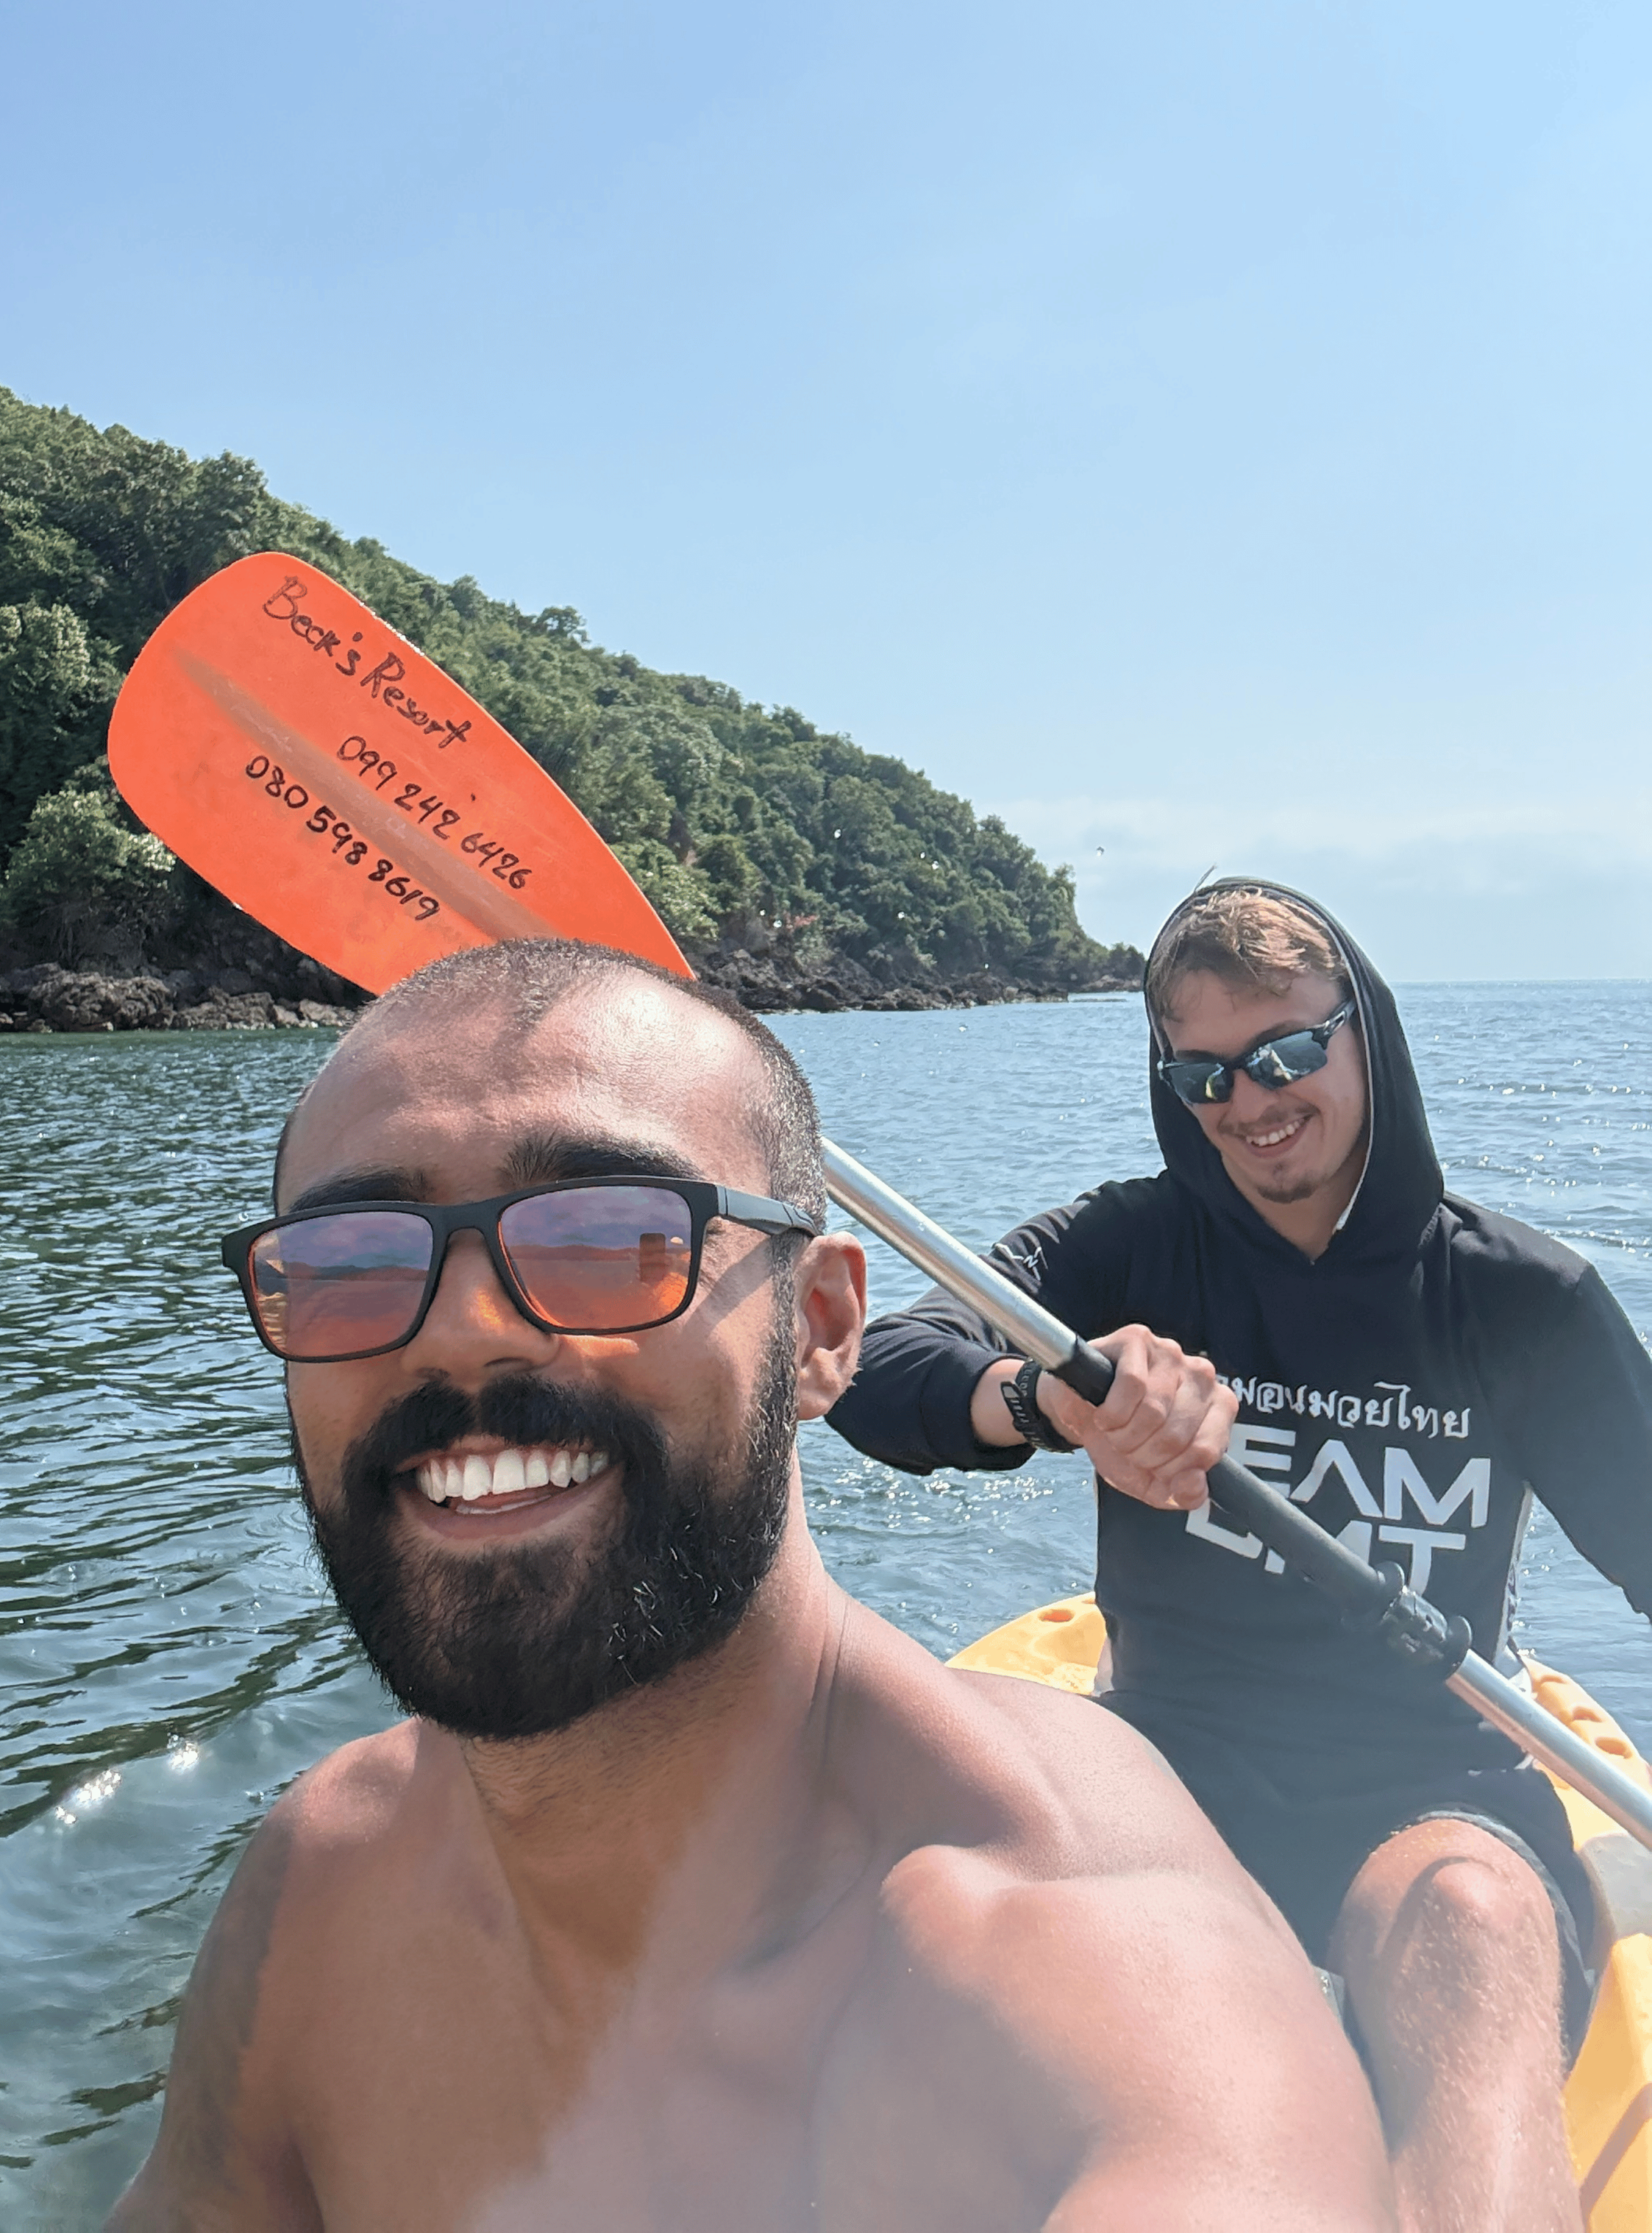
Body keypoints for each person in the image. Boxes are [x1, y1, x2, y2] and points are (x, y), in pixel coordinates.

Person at [107, 937, 1392, 2232]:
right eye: (352, 1264)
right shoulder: (326, 1880)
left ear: (824, 1328)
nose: (459, 1331)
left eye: (611, 1237)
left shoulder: (1101, 2000)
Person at [830, 879, 1652, 2233]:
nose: (1251, 1102)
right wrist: (1052, 1402)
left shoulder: (1518, 1299)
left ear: (1363, 1034)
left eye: (1284, 1053)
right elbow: (881, 1367)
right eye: (1203, 1074)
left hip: (1432, 1770)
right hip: (1164, 1772)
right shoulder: (1128, 1252)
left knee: (1467, 1918)